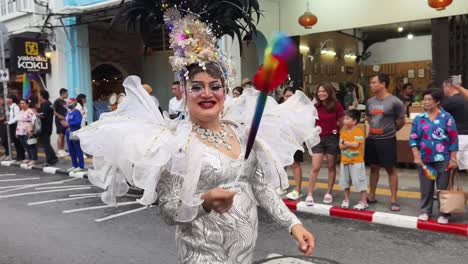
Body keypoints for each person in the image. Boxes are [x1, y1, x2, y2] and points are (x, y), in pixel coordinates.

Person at [76, 5, 318, 263]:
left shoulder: (243, 133)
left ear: (225, 92)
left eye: (215, 86)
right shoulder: (175, 143)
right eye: (196, 87)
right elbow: (169, 211)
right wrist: (204, 204)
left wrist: (294, 225)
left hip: (244, 253)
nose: (207, 93)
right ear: (184, 91)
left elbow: (260, 188)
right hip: (201, 255)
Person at [409, 88, 458, 224]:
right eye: (424, 99)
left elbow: (453, 138)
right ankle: (425, 211)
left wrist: (453, 158)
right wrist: (416, 156)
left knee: (442, 187)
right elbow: (413, 138)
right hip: (425, 159)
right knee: (426, 187)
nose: (425, 102)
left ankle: (444, 213)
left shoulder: (447, 117)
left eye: (429, 99)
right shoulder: (419, 118)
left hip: (443, 158)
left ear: (437, 101)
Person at [366, 73, 405, 211]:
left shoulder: (395, 102)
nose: (371, 85)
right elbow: (369, 118)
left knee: (390, 169)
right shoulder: (370, 101)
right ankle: (371, 195)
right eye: (371, 83)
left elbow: (401, 121)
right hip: (372, 139)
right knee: (373, 168)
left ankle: (394, 200)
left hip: (387, 140)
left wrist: (390, 131)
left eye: (374, 82)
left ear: (383, 84)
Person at [306, 82, 344, 205]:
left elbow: (341, 122)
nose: (321, 93)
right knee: (315, 167)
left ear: (329, 92)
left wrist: (338, 135)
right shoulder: (315, 106)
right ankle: (309, 194)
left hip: (332, 138)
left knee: (331, 166)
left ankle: (328, 192)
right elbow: (309, 121)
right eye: (319, 91)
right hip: (318, 139)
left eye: (324, 91)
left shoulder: (337, 106)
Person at [339, 109, 368, 210]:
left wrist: (345, 142)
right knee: (345, 182)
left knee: (360, 181)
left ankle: (364, 201)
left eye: (347, 118)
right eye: (344, 118)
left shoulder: (359, 131)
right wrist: (348, 143)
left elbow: (356, 145)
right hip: (344, 161)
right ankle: (346, 199)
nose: (344, 120)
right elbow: (341, 147)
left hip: (356, 162)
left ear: (354, 121)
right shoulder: (343, 131)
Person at [442, 80, 468, 172]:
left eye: (444, 87)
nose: (443, 90)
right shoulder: (465, 98)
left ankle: (449, 186)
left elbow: (438, 115)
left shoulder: (450, 101)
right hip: (466, 136)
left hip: (458, 137)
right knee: (466, 165)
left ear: (448, 87)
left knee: (452, 166)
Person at [283, 88, 304, 201]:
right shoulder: (280, 108)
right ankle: (282, 186)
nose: (289, 98)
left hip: (295, 141)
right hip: (282, 140)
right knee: (282, 163)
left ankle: (298, 190)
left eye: (291, 96)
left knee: (295, 164)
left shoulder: (300, 110)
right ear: (283, 97)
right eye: (287, 96)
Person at [62, 98, 84, 172]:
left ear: (74, 104)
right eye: (68, 103)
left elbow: (78, 122)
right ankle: (74, 165)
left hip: (75, 132)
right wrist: (64, 123)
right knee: (71, 150)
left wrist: (69, 124)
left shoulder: (77, 112)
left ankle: (81, 166)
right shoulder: (67, 113)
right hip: (68, 132)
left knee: (77, 149)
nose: (68, 104)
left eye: (70, 103)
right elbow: (66, 121)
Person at [38, 90, 58, 165]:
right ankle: (54, 158)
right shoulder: (49, 103)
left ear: (42, 96)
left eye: (39, 95)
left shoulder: (45, 104)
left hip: (44, 127)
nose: (39, 97)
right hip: (48, 127)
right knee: (47, 144)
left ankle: (50, 160)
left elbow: (43, 115)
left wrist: (36, 113)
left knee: (46, 144)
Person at [16, 99, 39, 165]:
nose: (21, 105)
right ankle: (30, 158)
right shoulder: (20, 112)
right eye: (21, 103)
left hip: (28, 130)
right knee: (25, 145)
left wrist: (31, 130)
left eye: (23, 103)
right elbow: (19, 122)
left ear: (27, 104)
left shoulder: (30, 111)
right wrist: (17, 132)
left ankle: (34, 159)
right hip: (21, 130)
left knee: (31, 144)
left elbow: (33, 121)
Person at [6, 95, 24, 161]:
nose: (6, 99)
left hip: (15, 125)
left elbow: (16, 117)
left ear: (11, 99)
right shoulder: (10, 107)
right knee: (15, 141)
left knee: (18, 141)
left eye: (8, 98)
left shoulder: (15, 107)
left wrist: (9, 122)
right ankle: (19, 156)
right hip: (12, 125)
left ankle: (21, 156)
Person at [54, 88, 69, 158]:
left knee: (63, 134)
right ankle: (59, 150)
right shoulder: (57, 101)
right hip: (59, 120)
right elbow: (53, 111)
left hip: (64, 120)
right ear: (62, 93)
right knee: (60, 135)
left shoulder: (65, 102)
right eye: (66, 93)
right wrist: (60, 116)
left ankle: (62, 150)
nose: (67, 95)